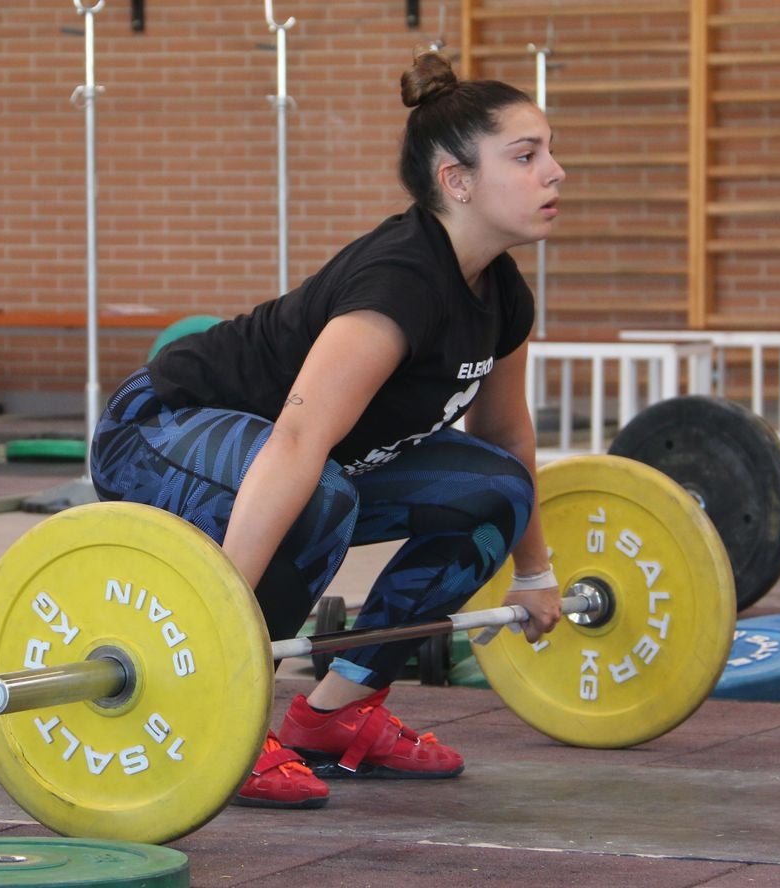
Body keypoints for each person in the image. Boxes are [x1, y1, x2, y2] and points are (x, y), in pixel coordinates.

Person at [90, 49, 566, 810]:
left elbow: (505, 438)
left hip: (301, 464)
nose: (555, 171)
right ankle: (226, 718)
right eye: (527, 154)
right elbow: (296, 445)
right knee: (319, 497)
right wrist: (222, 621)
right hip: (156, 429)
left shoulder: (500, 293)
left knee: (496, 493)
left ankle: (335, 716)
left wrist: (536, 574)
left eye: (549, 151)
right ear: (457, 180)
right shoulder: (399, 284)